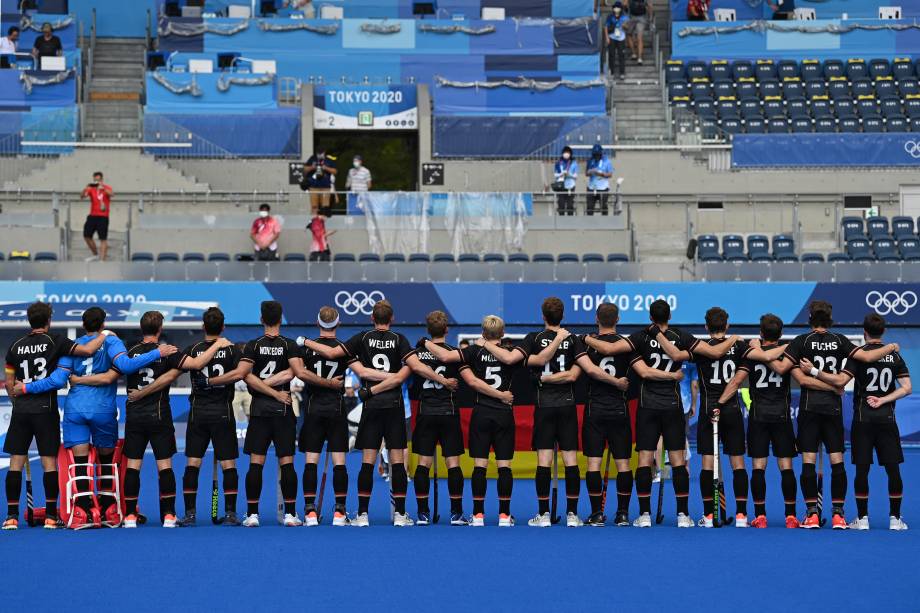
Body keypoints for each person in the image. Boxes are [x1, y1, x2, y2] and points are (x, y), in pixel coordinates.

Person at [14, 307, 177, 528]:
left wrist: (26, 388)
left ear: (83, 325)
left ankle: (83, 508)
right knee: (106, 460)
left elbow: (58, 380)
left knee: (80, 461)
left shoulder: (73, 346)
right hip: (102, 409)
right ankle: (108, 506)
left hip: (75, 409)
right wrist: (158, 353)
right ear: (103, 323)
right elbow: (126, 366)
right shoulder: (111, 341)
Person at [300, 299, 456, 527]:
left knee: (368, 462)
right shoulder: (400, 339)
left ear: (372, 318)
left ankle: (362, 515)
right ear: (391, 319)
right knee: (396, 462)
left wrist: (304, 341)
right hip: (394, 406)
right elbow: (418, 367)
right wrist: (440, 379)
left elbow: (333, 353)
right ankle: (400, 515)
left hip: (371, 405)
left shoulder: (362, 338)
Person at [583, 299, 738, 528]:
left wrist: (584, 337)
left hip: (648, 406)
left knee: (645, 460)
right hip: (673, 406)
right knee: (677, 462)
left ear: (650, 318)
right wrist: (735, 338)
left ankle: (644, 514)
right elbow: (715, 352)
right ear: (670, 316)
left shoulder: (640, 336)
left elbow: (608, 349)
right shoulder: (682, 336)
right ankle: (683, 515)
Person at [70, 312, 228, 528]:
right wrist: (217, 345)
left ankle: (129, 517)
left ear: (141, 328)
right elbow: (198, 363)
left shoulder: (129, 354)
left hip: (135, 416)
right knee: (165, 466)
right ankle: (169, 515)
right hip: (160, 415)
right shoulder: (168, 351)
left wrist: (79, 379)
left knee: (133, 467)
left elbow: (107, 377)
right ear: (160, 329)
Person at [211, 300, 344, 528]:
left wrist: (262, 386)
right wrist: (277, 392)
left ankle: (252, 514)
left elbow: (245, 375)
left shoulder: (253, 345)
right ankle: (291, 514)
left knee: (256, 464)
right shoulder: (290, 345)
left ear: (261, 319)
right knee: (287, 463)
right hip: (283, 408)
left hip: (260, 411)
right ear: (281, 319)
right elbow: (296, 373)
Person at [782, 300, 898, 529]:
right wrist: (891, 347)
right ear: (830, 318)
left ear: (809, 317)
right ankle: (838, 515)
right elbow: (866, 357)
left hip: (809, 407)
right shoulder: (840, 340)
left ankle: (812, 514)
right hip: (833, 408)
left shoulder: (801, 341)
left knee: (808, 461)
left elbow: (800, 378)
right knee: (837, 461)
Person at [474, 298, 581, 527]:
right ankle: (572, 515)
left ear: (543, 316)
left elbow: (516, 359)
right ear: (562, 316)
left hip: (544, 404)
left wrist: (543, 378)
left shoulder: (534, 338)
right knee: (570, 461)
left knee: (544, 461)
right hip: (567, 404)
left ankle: (543, 514)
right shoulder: (572, 338)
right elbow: (573, 376)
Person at [571, 303, 681, 526]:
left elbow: (589, 370)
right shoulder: (627, 345)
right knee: (623, 465)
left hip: (595, 410)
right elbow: (643, 371)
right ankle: (622, 513)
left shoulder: (584, 343)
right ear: (618, 319)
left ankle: (596, 514)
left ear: (596, 319)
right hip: (619, 411)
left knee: (594, 464)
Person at [2, 302, 106, 530]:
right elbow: (88, 350)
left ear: (29, 320)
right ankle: (50, 516)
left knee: (15, 465)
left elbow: (9, 383)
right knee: (49, 464)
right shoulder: (55, 341)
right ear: (49, 320)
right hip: (45, 410)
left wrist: (17, 402)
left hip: (21, 411)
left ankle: (11, 517)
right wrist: (105, 334)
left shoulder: (15, 346)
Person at [804, 314, 911, 531]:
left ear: (864, 332)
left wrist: (814, 371)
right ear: (883, 332)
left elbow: (841, 381)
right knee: (893, 469)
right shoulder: (894, 356)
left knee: (862, 470)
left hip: (862, 420)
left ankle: (862, 519)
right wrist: (883, 399)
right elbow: (907, 388)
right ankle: (895, 519)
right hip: (887, 419)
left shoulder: (858, 357)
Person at [658, 307, 751, 527]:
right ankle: (741, 516)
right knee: (737, 463)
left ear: (706, 326)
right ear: (727, 325)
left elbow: (676, 355)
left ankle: (709, 516)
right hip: (732, 411)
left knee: (707, 464)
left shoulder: (700, 348)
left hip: (709, 411)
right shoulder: (738, 345)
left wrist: (658, 334)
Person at [424, 316, 517, 527]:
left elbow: (446, 356)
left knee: (480, 465)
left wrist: (425, 342)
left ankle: (478, 515)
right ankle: (504, 515)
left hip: (481, 412)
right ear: (502, 334)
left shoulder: (473, 352)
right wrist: (501, 395)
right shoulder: (512, 353)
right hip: (504, 413)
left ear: (483, 333)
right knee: (504, 466)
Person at [718, 314, 801, 529]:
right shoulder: (787, 352)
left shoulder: (752, 353)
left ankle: (761, 515)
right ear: (780, 334)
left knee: (758, 467)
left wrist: (719, 402)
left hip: (759, 415)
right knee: (786, 467)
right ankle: (791, 516)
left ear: (761, 333)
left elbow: (738, 380)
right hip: (782, 414)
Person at [405, 311, 469, 525]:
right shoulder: (455, 353)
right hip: (449, 411)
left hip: (426, 411)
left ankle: (422, 513)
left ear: (427, 330)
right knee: (453, 464)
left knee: (423, 463)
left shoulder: (416, 353)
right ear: (447, 329)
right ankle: (456, 513)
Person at [295, 306, 354, 527]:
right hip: (336, 408)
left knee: (311, 461)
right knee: (340, 462)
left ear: (318, 323)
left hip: (313, 409)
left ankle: (310, 511)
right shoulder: (344, 348)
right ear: (338, 323)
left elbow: (299, 373)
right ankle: (340, 512)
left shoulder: (305, 349)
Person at [80, 171, 112, 262]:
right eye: (95, 180)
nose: (97, 182)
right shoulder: (91, 189)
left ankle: (102, 260)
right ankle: (96, 255)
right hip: (92, 215)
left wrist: (103, 188)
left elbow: (112, 194)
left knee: (103, 238)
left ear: (102, 179)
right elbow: (82, 197)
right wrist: (85, 188)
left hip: (103, 216)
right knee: (86, 236)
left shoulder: (106, 188)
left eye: (98, 180)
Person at [302, 149, 337, 215]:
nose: (319, 154)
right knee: (314, 207)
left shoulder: (329, 160)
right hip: (313, 187)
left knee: (325, 207)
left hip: (325, 187)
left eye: (321, 153)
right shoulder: (312, 158)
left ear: (324, 152)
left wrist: (326, 168)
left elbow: (335, 171)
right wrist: (312, 167)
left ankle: (322, 223)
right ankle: (314, 222)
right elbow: (305, 169)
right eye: (318, 153)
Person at [585, 144, 613, 215]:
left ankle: (604, 223)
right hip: (592, 187)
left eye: (598, 154)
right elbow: (586, 173)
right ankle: (589, 223)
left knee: (603, 207)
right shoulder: (590, 160)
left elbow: (610, 174)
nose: (596, 156)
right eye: (595, 154)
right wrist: (590, 172)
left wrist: (601, 174)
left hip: (603, 188)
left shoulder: (607, 161)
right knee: (589, 207)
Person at [605, 3, 628, 79]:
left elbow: (628, 27)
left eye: (618, 8)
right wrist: (607, 37)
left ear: (621, 9)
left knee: (621, 55)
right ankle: (611, 72)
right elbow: (605, 27)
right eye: (615, 7)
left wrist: (625, 25)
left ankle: (622, 73)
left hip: (621, 38)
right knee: (611, 55)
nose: (616, 9)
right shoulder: (610, 16)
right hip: (612, 37)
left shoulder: (624, 17)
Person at [553, 146, 578, 216]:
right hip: (561, 186)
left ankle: (570, 222)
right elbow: (555, 175)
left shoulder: (574, 163)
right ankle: (561, 221)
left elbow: (576, 176)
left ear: (570, 154)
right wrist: (561, 174)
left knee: (570, 205)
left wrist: (569, 175)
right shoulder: (558, 163)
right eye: (565, 152)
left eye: (568, 152)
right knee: (561, 205)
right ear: (562, 153)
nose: (566, 154)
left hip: (570, 186)